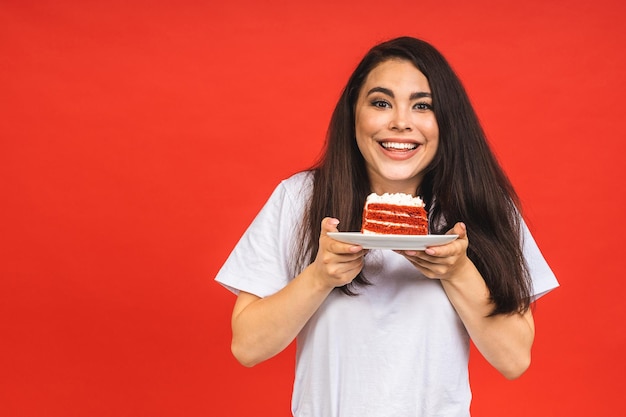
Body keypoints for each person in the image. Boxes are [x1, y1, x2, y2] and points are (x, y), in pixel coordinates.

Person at [215, 36, 558, 417]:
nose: (399, 122)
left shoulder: (484, 208)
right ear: (354, 114)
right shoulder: (299, 199)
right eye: (381, 103)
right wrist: (320, 276)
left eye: (422, 106)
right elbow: (247, 347)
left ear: (447, 121)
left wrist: (458, 271)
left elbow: (514, 360)